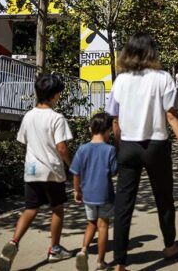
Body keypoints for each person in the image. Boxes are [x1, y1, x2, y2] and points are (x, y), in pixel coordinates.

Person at [105, 33, 178, 270]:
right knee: (164, 198)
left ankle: (119, 262)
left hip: (129, 146)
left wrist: (118, 147)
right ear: (152, 53)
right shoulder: (163, 78)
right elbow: (171, 116)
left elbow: (114, 120)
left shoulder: (120, 81)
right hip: (156, 146)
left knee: (124, 204)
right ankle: (169, 245)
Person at [0, 74, 73, 271]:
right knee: (57, 209)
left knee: (30, 209)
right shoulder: (57, 118)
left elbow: (25, 141)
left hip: (31, 171)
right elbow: (62, 147)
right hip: (52, 172)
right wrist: (71, 165)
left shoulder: (28, 116)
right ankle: (54, 249)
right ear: (55, 95)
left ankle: (14, 242)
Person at [72, 113, 118, 271]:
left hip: (88, 195)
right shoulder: (110, 150)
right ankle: (100, 262)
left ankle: (83, 249)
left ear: (91, 129)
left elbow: (76, 173)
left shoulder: (82, 149)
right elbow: (113, 172)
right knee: (103, 225)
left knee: (91, 223)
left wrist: (76, 190)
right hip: (105, 194)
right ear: (107, 131)